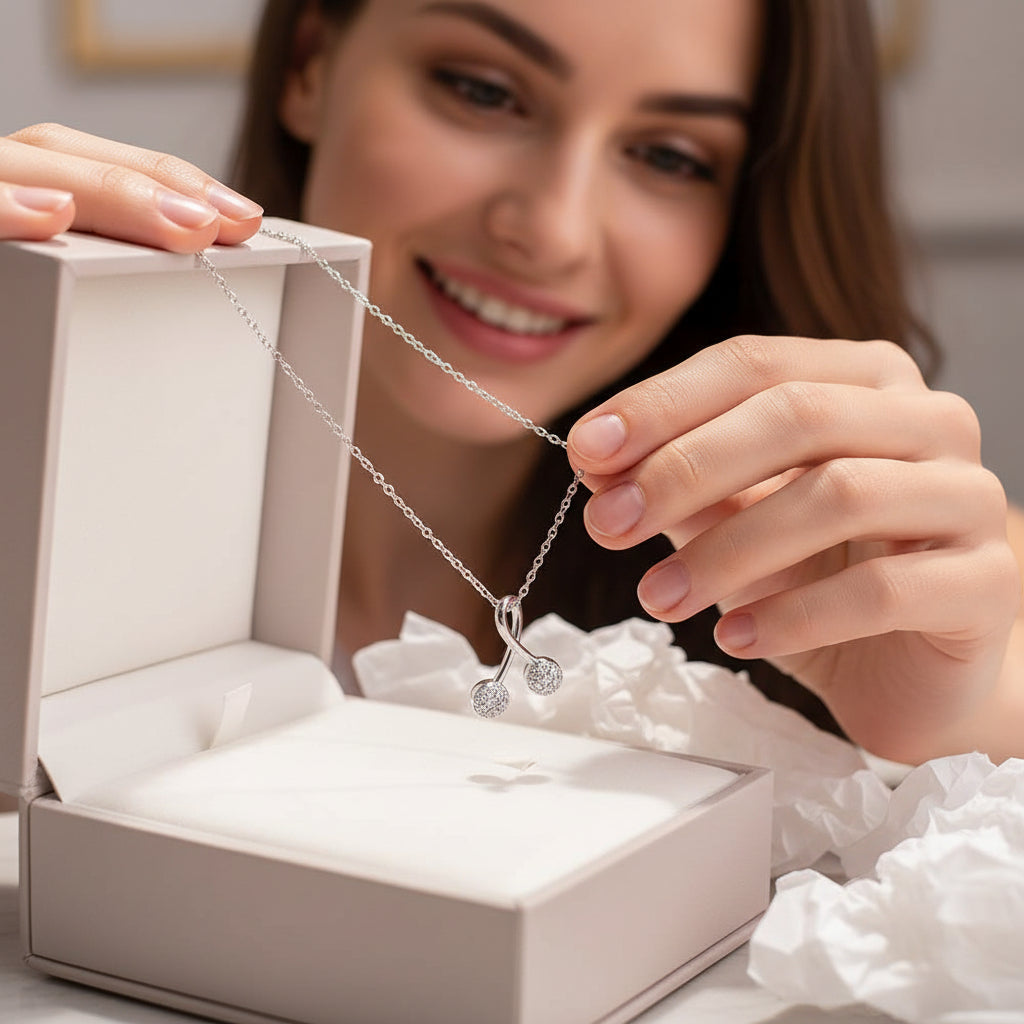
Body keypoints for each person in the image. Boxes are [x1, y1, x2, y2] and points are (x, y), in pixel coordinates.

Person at [1, 0, 1021, 765]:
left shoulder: (913, 571)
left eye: (669, 156)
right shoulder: (54, 471)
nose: (554, 230)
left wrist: (944, 729)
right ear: (312, 62)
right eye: (484, 91)